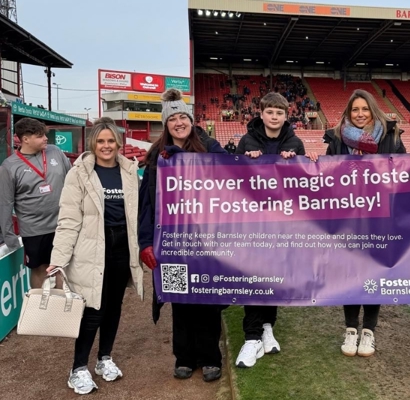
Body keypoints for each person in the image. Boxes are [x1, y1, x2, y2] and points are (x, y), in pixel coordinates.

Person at [322, 89, 410, 358]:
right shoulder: (337, 138)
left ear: (372, 110)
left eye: (364, 109)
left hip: (380, 216)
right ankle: (350, 328)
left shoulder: (390, 135)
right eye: (355, 110)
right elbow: (327, 172)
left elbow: (403, 170)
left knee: (376, 270)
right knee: (350, 270)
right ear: (348, 112)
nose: (360, 114)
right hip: (348, 216)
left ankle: (369, 331)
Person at [47, 117, 144, 395]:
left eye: (110, 141)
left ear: (118, 143)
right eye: (100, 141)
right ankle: (78, 368)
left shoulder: (128, 171)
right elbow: (68, 219)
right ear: (92, 143)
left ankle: (104, 359)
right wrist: (59, 259)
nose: (106, 146)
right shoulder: (78, 174)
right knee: (92, 310)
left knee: (113, 308)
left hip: (122, 248)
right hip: (91, 250)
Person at [138, 89, 227, 382]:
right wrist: (145, 242)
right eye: (172, 118)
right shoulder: (155, 156)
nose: (178, 122)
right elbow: (146, 204)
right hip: (172, 242)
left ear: (191, 120)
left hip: (207, 240)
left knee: (207, 300)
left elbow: (233, 172)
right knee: (181, 300)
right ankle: (185, 357)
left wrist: (187, 159)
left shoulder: (210, 146)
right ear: (166, 124)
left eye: (183, 117)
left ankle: (210, 357)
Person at [234, 92, 318, 368]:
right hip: (252, 222)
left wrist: (295, 162)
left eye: (279, 113)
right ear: (261, 113)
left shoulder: (295, 142)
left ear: (286, 115)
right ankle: (251, 335)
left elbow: (303, 182)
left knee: (273, 276)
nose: (274, 117)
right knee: (253, 276)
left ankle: (268, 326)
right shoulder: (247, 140)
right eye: (269, 112)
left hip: (282, 222)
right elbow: (232, 178)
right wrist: (246, 160)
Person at [0, 117, 71, 288]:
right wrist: (9, 236)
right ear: (25, 139)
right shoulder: (9, 167)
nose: (46, 138)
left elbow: (73, 181)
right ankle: (39, 311)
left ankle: (61, 308)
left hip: (62, 225)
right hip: (34, 231)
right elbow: (5, 204)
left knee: (62, 267)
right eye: (40, 136)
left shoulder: (55, 152)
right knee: (40, 270)